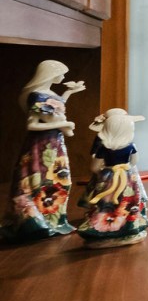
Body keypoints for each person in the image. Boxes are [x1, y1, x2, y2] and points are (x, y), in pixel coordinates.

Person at [3, 60, 86, 242]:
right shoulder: (36, 96)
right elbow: (32, 124)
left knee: (58, 180)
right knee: (38, 179)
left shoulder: (49, 94)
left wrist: (70, 92)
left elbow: (55, 107)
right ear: (50, 74)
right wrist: (63, 124)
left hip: (56, 143)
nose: (63, 77)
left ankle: (54, 220)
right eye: (61, 74)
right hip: (41, 144)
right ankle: (34, 222)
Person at [78, 108, 148, 248]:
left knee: (106, 202)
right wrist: (126, 169)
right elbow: (134, 161)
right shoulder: (131, 146)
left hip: (107, 177)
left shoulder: (103, 148)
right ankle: (126, 225)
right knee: (127, 201)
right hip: (127, 176)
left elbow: (94, 167)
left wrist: (103, 173)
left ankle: (105, 226)